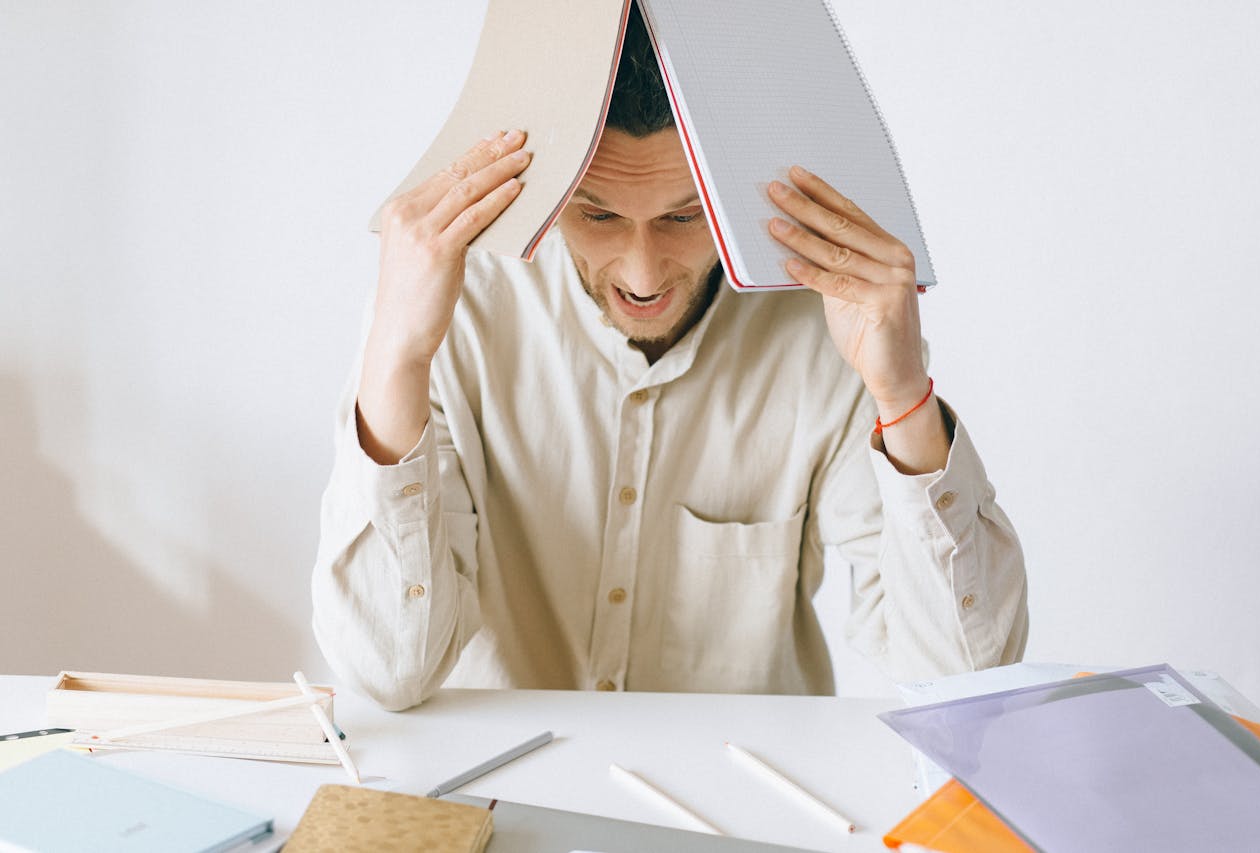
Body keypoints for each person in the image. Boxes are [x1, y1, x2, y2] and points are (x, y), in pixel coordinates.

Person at [312, 11, 1028, 711]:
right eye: (597, 214)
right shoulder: (455, 311)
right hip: (504, 779)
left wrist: (902, 395)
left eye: (685, 216)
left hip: (740, 781)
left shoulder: (828, 329)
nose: (643, 274)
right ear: (549, 195)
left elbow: (962, 678)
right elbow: (390, 671)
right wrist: (396, 354)